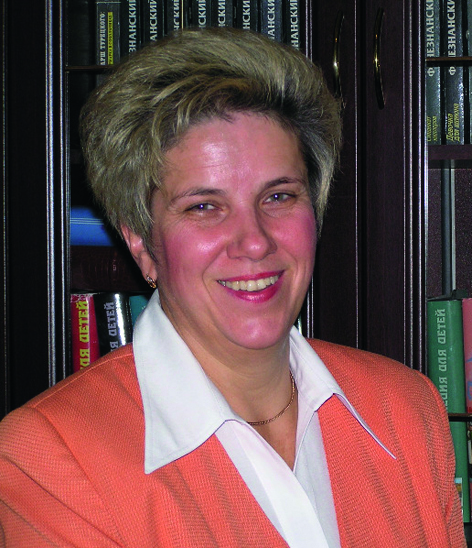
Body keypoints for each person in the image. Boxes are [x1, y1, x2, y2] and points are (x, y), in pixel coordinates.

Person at [0, 27, 465, 548]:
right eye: (204, 206)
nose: (255, 242)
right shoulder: (52, 459)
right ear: (141, 242)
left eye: (278, 196)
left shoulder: (406, 410)